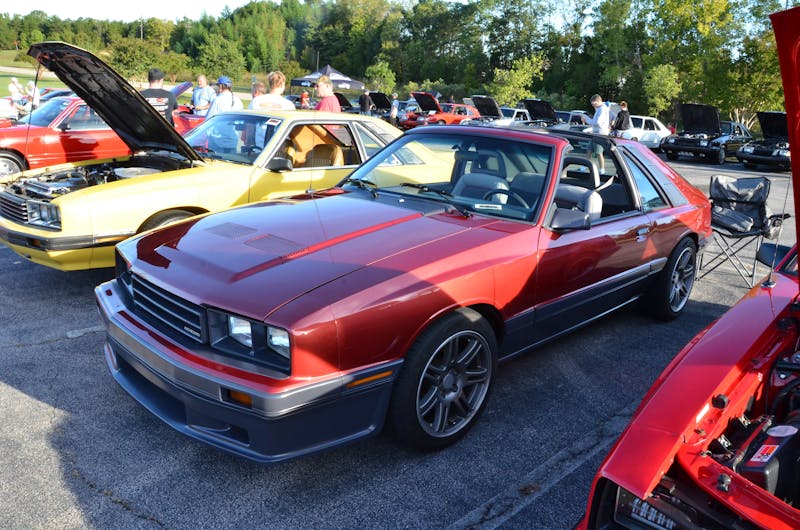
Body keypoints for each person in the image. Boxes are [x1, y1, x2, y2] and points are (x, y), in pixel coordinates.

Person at [583, 94, 611, 171]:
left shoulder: (602, 109)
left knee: (599, 152)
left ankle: (602, 169)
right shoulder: (599, 109)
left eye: (594, 103)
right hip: (595, 133)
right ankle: (584, 167)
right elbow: (595, 121)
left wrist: (587, 120)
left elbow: (597, 122)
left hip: (600, 134)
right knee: (589, 150)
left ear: (598, 101)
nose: (593, 105)